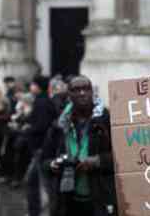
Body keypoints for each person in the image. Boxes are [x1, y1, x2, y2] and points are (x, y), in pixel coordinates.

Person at [42, 75, 117, 216]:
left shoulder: (107, 119)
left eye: (86, 89)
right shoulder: (59, 124)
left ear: (92, 92)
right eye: (76, 90)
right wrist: (53, 164)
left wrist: (98, 161)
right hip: (67, 201)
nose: (82, 93)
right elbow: (45, 160)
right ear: (69, 94)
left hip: (100, 200)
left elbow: (124, 157)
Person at [26, 75, 58, 216]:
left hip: (41, 148)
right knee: (38, 182)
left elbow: (41, 125)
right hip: (41, 148)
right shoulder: (43, 100)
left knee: (41, 183)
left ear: (38, 86)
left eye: (32, 84)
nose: (30, 87)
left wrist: (28, 128)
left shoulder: (42, 102)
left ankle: (40, 211)